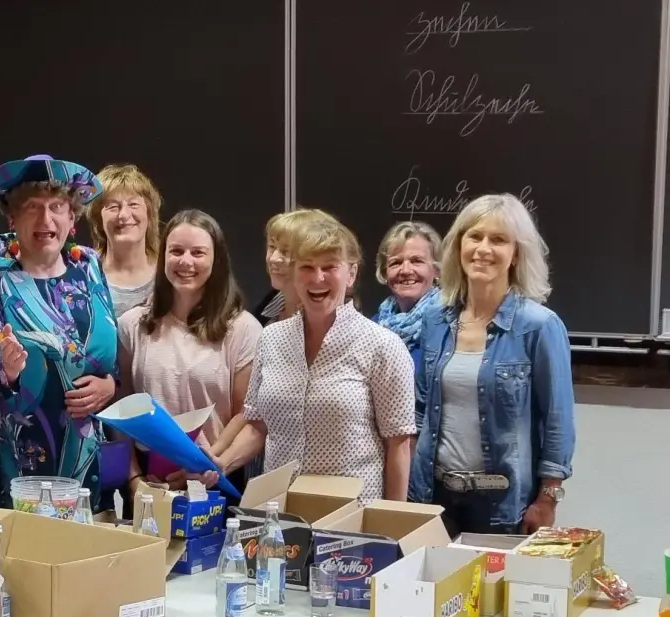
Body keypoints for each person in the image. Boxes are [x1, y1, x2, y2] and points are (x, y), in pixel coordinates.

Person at [214, 210, 415, 502]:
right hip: (278, 512)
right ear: (294, 274)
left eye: (329, 266)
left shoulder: (382, 345)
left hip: (350, 514)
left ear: (351, 273)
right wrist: (223, 464)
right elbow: (257, 425)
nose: (317, 278)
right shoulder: (271, 338)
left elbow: (399, 443)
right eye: (307, 267)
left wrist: (391, 519)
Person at [0, 154, 119, 509]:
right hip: (21, 460)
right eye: (32, 207)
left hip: (88, 457)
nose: (45, 219)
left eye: (57, 207)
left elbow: (110, 352)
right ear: (12, 217)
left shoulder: (88, 265)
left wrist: (110, 385)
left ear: (72, 217)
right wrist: (7, 369)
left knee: (90, 540)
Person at [412, 194, 574, 536]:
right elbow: (421, 409)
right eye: (475, 236)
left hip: (503, 505)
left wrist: (547, 499)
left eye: (498, 239)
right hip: (433, 498)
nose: (483, 249)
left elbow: (557, 420)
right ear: (459, 245)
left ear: (516, 253)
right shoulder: (434, 320)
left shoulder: (539, 326)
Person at [117, 210, 262, 490]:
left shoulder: (243, 328)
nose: (185, 261)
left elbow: (247, 413)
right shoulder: (132, 324)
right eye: (176, 251)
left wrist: (207, 463)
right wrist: (134, 480)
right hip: (149, 480)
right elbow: (120, 410)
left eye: (198, 253)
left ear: (216, 260)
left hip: (213, 474)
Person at [86, 164, 162, 316]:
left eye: (133, 204)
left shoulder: (169, 272)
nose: (124, 215)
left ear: (149, 214)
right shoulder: (85, 275)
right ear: (98, 219)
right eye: (113, 207)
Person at [373, 220, 444, 357]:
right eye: (396, 262)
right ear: (384, 272)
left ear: (436, 269)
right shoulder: (375, 325)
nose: (406, 270)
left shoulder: (449, 325)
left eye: (417, 261)